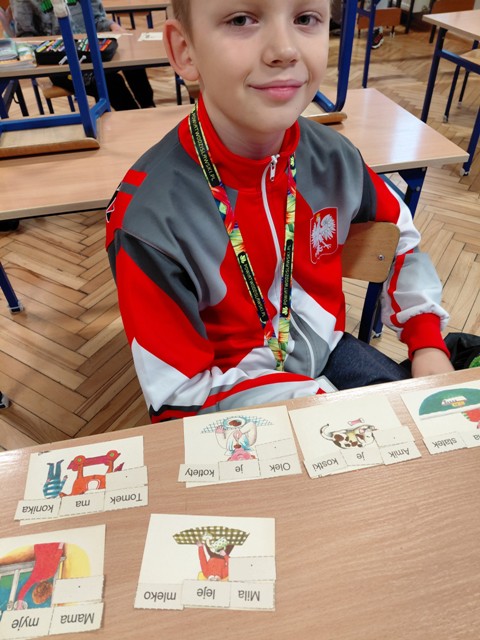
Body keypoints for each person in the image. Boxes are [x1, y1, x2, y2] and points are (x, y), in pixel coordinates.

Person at [106, 0, 454, 423]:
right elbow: (179, 397)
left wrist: (427, 340)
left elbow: (400, 237)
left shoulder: (334, 158)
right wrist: (318, 401)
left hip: (329, 352)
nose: (285, 50)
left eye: (306, 18)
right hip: (226, 398)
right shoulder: (148, 221)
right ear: (185, 51)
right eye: (241, 20)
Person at [11, 0, 155, 110]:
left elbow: (97, 19)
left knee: (132, 63)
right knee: (111, 82)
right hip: (60, 62)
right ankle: (136, 120)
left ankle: (148, 108)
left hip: (93, 49)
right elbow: (26, 37)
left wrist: (114, 27)